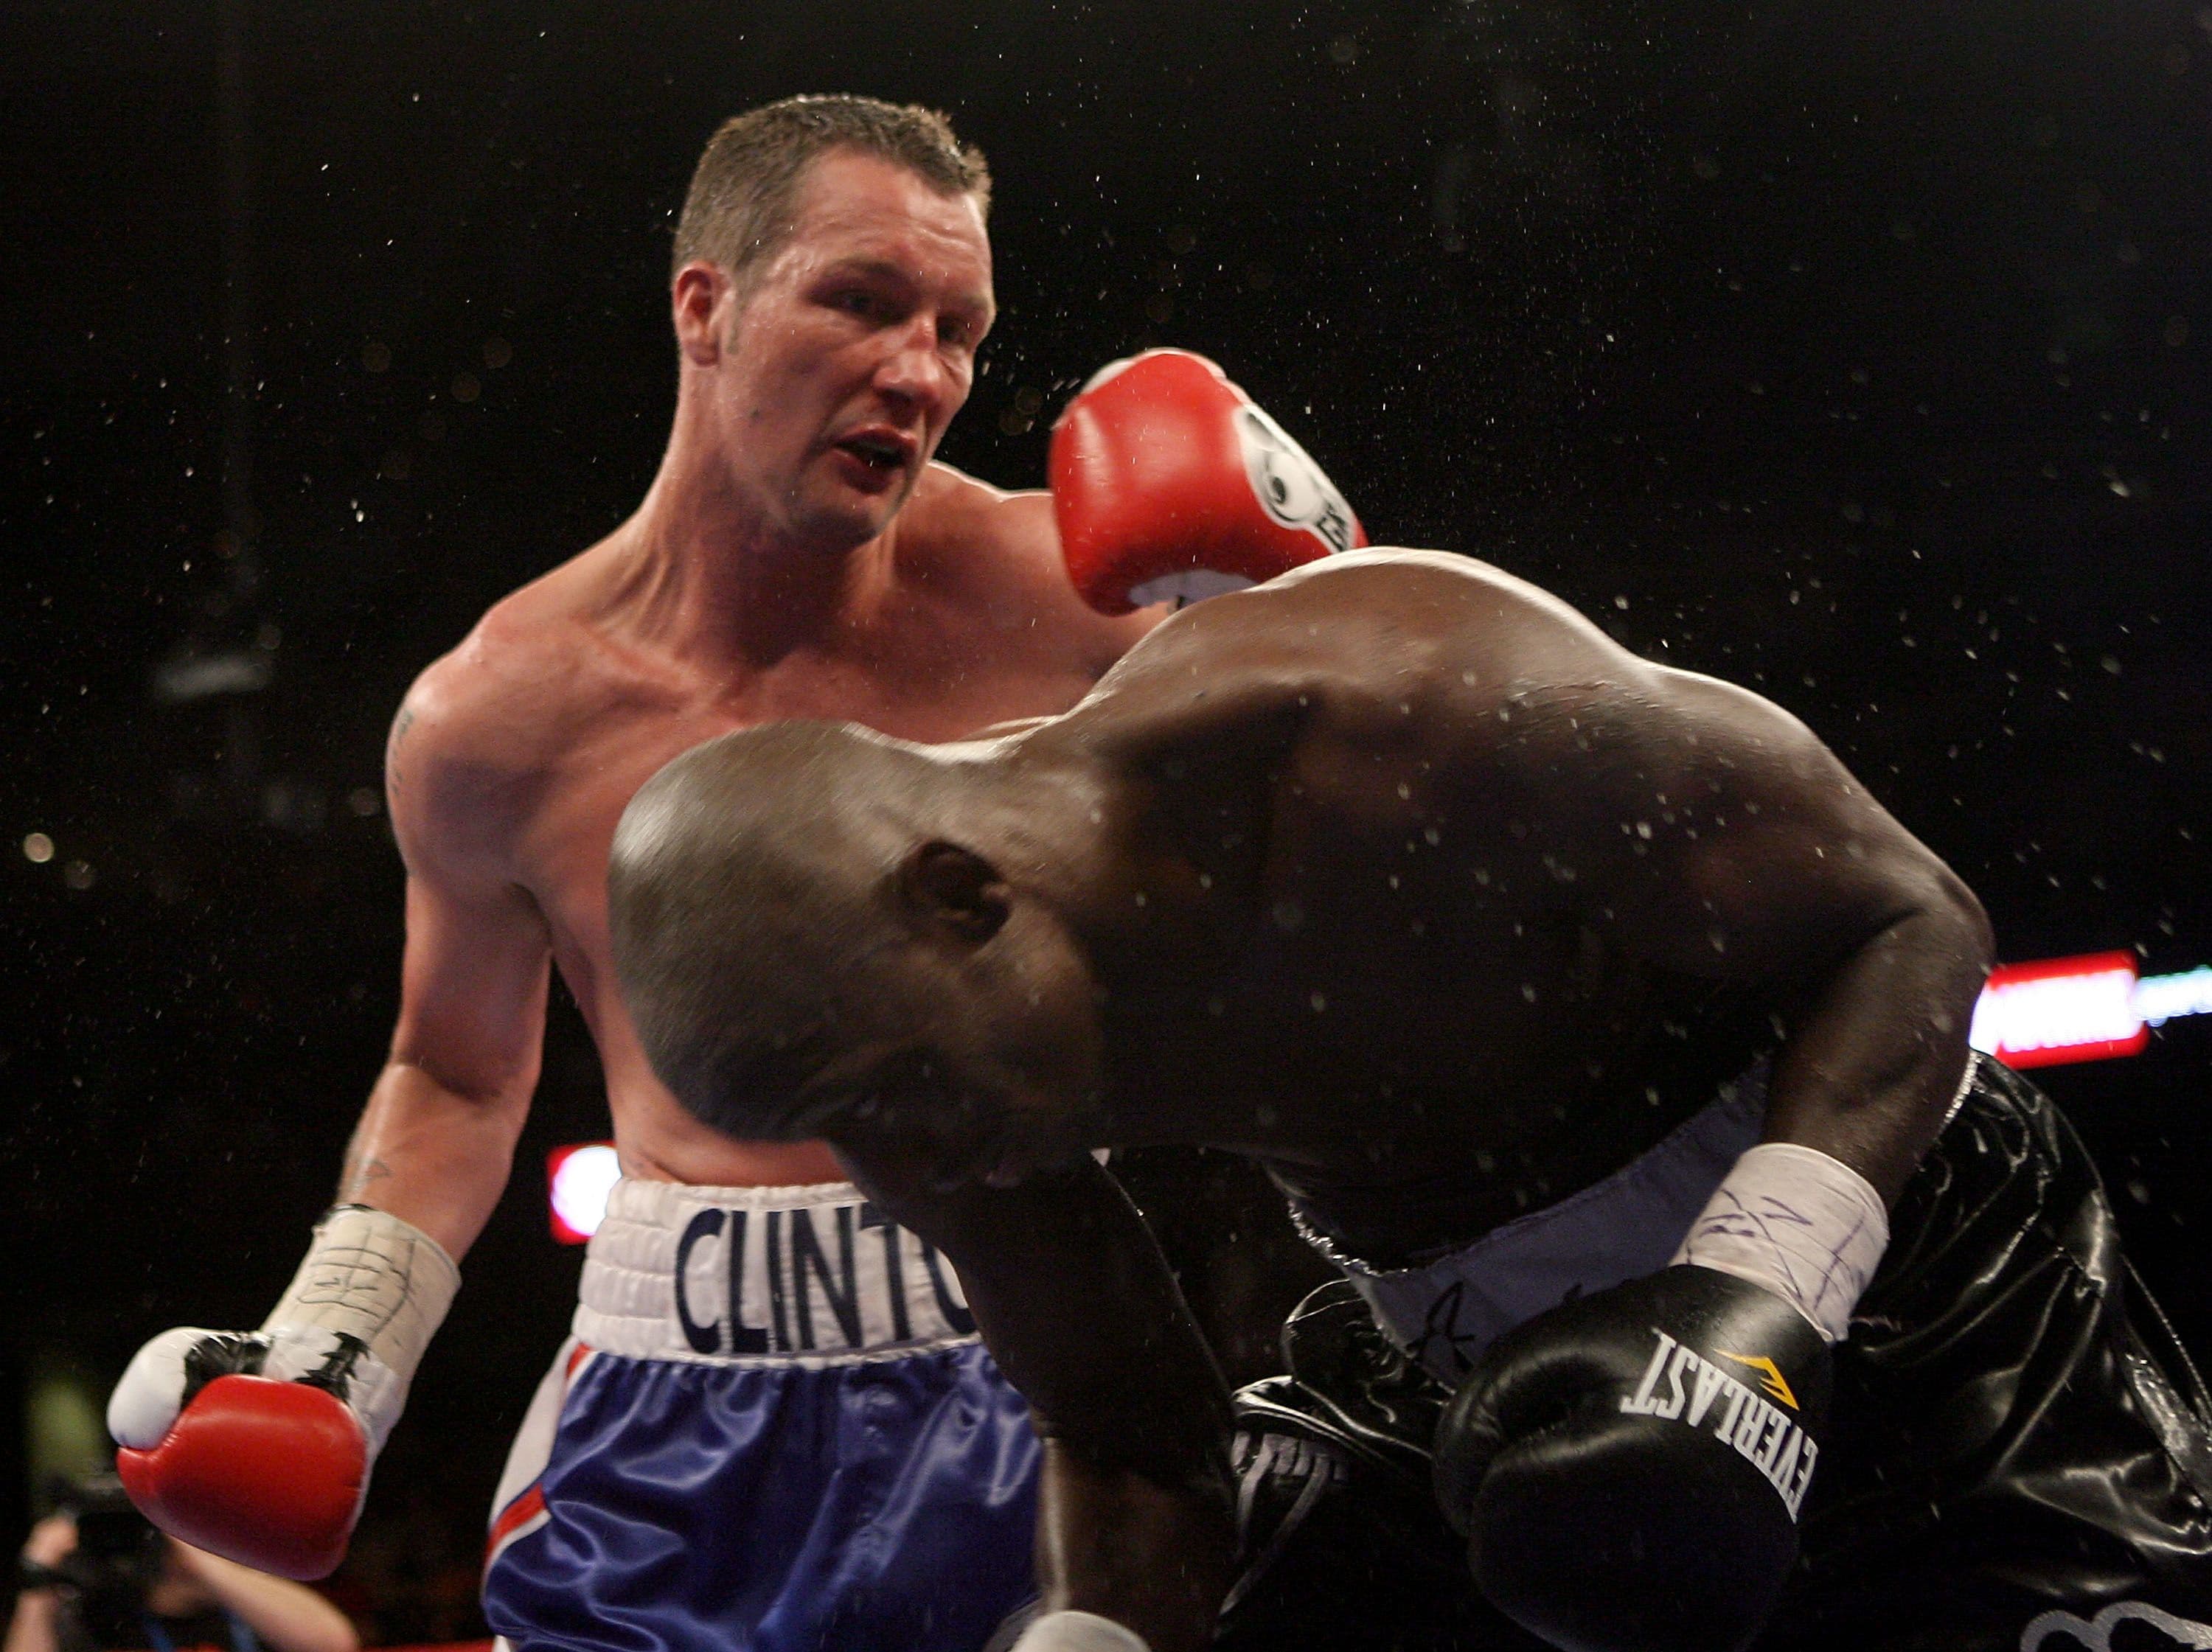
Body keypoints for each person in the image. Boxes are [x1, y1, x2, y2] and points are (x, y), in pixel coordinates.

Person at [102, 95, 1364, 1652]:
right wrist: (331, 1347)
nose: (922, 371)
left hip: (1042, 1362)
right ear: (705, 304)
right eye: (860, 299)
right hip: (662, 1407)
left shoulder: (1073, 606)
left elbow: (1399, 833)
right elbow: (454, 1068)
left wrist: (1329, 586)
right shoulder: (498, 713)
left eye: (959, 329)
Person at [606, 546, 2212, 1652]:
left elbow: (1906, 916)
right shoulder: (912, 1057)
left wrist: (1760, 1291)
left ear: (963, 894)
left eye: (895, 1098)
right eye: (855, 1131)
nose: (911, 1162)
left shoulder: (1401, 712)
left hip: (1910, 1266)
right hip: (1459, 1364)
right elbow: (1133, 1437)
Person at [10, 1480, 358, 1652]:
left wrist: (190, 1546)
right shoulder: (89, 1615)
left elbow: (334, 1642)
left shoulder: (239, 1603)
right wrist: (38, 1578)